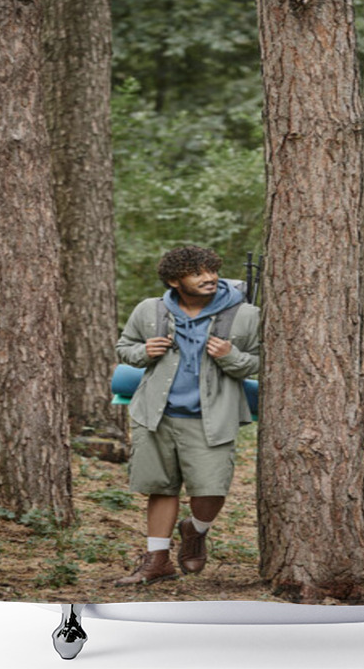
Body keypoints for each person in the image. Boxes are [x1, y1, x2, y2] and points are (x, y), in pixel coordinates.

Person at [114, 245, 260, 585]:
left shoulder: (245, 315)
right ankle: (158, 561)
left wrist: (230, 356)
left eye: (212, 270)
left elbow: (263, 361)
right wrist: (142, 351)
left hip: (212, 418)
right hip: (155, 415)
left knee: (211, 491)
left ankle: (195, 530)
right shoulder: (150, 310)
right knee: (161, 488)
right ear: (174, 281)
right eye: (198, 273)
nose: (209, 278)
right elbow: (125, 347)